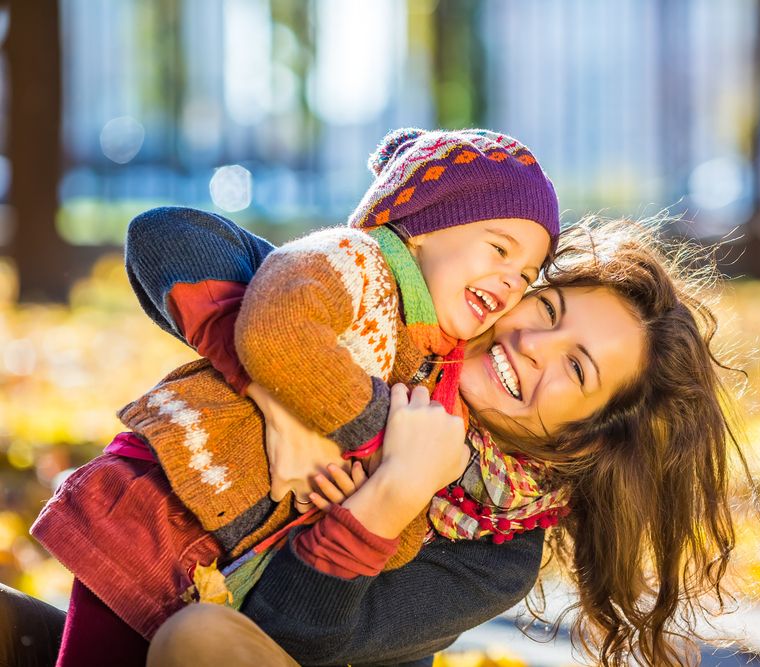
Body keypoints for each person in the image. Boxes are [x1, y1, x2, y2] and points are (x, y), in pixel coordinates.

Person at [30, 128, 562, 664]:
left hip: (224, 569)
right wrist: (332, 425)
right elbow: (275, 326)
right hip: (161, 509)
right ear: (425, 227)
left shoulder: (438, 378)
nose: (511, 280)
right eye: (498, 248)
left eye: (526, 275)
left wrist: (365, 497)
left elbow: (402, 534)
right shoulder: (357, 267)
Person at [129, 209, 751, 666]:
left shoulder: (497, 552)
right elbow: (168, 237)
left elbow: (290, 640)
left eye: (576, 368)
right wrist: (281, 389)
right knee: (30, 629)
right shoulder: (386, 339)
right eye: (549, 311)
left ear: (586, 439)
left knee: (198, 641)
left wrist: (393, 493)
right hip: (143, 604)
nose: (531, 346)